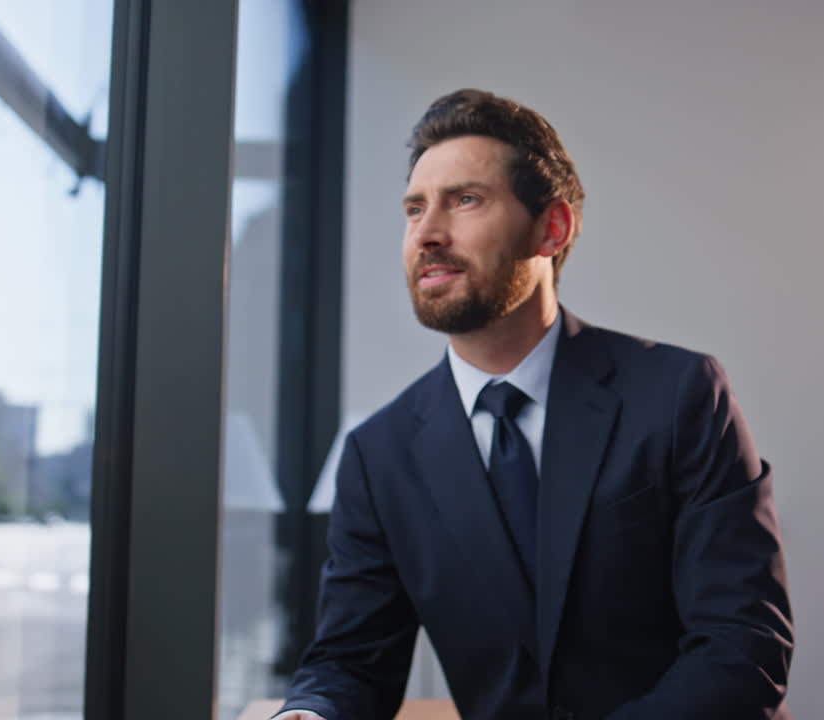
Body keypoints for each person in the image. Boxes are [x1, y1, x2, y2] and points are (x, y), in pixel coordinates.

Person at [274, 89, 794, 720]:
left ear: (552, 228)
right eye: (415, 209)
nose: (428, 233)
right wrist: (307, 714)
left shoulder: (680, 395)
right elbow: (349, 664)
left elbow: (743, 648)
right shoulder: (377, 456)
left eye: (465, 200)